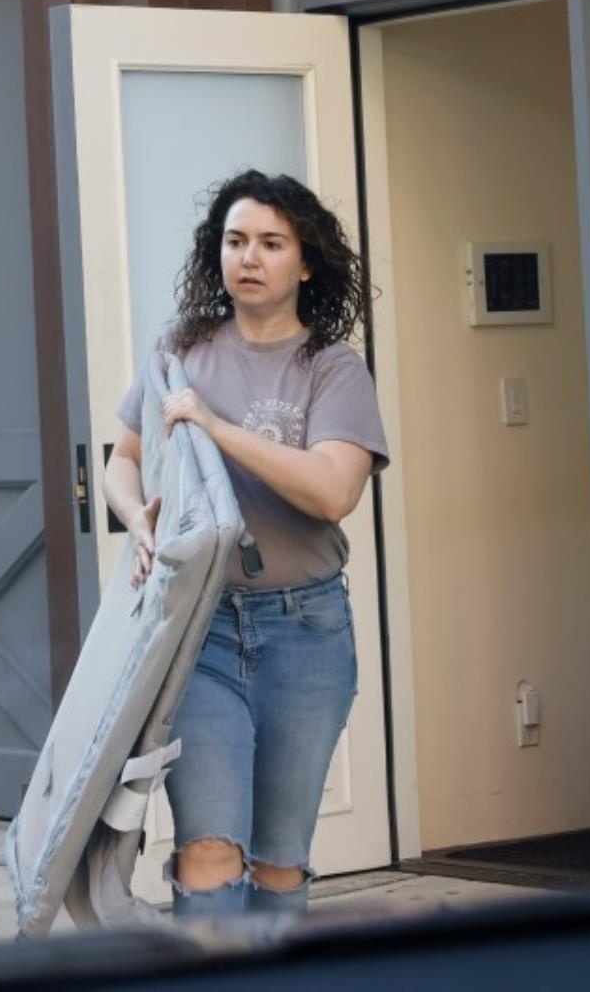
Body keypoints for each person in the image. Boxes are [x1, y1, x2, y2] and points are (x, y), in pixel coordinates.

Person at [101, 169, 388, 920]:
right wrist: (140, 521)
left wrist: (216, 429)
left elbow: (332, 491)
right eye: (235, 241)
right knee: (208, 846)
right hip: (198, 633)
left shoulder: (332, 369)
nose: (249, 257)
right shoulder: (180, 349)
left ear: (306, 262)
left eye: (270, 242)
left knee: (280, 860)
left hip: (307, 631)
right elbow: (121, 462)